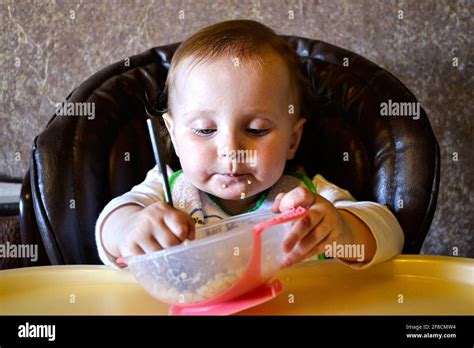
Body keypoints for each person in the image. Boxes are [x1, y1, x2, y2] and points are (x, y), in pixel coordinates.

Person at [95, 19, 404, 269]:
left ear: (292, 139)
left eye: (256, 130)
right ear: (174, 136)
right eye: (205, 130)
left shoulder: (306, 198)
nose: (231, 150)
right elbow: (109, 226)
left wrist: (342, 229)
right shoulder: (166, 193)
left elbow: (391, 233)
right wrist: (128, 229)